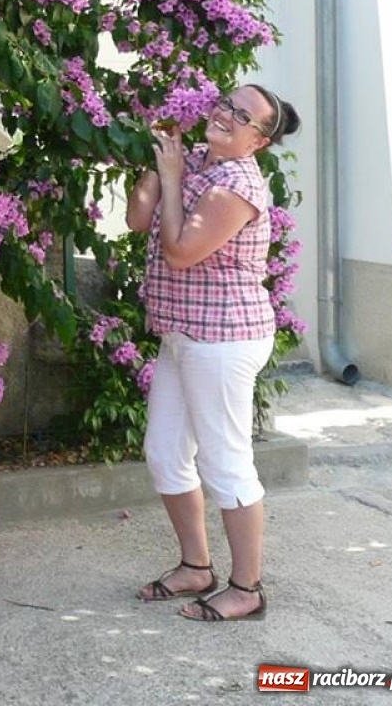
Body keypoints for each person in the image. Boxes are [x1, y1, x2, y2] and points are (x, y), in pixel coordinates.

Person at [125, 83, 301, 622]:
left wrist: (175, 179)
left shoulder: (238, 185)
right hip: (184, 332)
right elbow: (138, 218)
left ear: (257, 141)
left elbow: (180, 251)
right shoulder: (195, 160)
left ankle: (247, 589)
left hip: (224, 337)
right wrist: (162, 160)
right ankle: (196, 567)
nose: (226, 113)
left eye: (242, 115)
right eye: (227, 102)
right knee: (164, 453)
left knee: (225, 461)